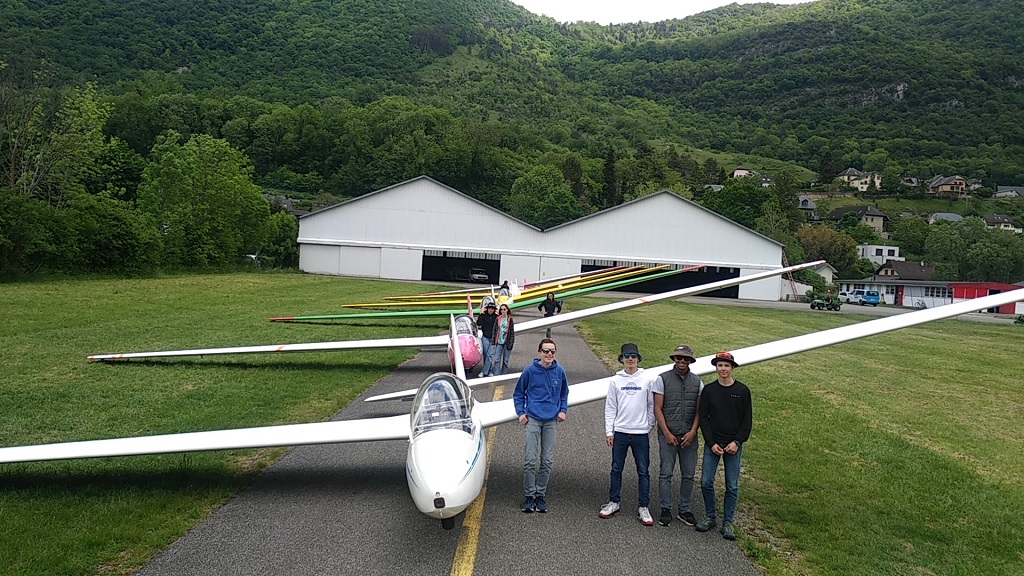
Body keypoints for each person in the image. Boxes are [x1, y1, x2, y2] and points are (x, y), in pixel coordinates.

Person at [695, 351, 752, 541]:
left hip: (733, 445)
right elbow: (704, 418)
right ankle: (711, 516)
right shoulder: (709, 391)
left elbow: (747, 421)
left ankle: (728, 522)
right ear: (716, 368)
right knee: (706, 481)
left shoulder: (743, 391)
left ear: (732, 368)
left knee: (732, 485)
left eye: (727, 365)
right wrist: (711, 443)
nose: (723, 369)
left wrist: (737, 442)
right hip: (714, 444)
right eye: (720, 365)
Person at [599, 343, 656, 526]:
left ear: (638, 359)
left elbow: (651, 406)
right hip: (621, 432)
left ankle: (643, 507)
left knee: (643, 471)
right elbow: (611, 407)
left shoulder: (647, 379)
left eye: (633, 356)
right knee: (616, 468)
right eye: (626, 356)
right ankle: (614, 502)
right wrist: (610, 431)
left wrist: (648, 427)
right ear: (622, 359)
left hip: (640, 433)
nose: (630, 359)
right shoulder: (615, 381)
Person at [512, 338, 569, 513]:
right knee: (530, 460)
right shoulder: (530, 371)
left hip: (551, 420)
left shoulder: (560, 371)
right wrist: (521, 413)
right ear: (539, 353)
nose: (549, 354)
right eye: (546, 351)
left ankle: (540, 495)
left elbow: (564, 394)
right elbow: (519, 394)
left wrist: (563, 410)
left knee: (547, 461)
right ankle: (529, 496)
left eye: (552, 351)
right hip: (533, 419)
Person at [652, 344, 704, 527]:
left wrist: (692, 432)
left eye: (686, 359)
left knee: (688, 474)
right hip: (668, 433)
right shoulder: (662, 379)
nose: (682, 361)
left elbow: (699, 411)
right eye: (679, 358)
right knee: (666, 473)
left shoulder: (697, 382)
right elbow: (657, 408)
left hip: (689, 434)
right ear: (674, 359)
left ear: (690, 361)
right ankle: (665, 509)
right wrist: (666, 432)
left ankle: (685, 509)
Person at [489, 304, 515, 375]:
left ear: (507, 310)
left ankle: (504, 374)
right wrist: (494, 342)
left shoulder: (510, 319)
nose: (503, 311)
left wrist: (511, 343)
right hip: (499, 342)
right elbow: (495, 330)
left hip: (507, 342)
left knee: (505, 360)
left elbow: (512, 332)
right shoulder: (498, 319)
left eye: (504, 309)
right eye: (501, 309)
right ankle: (496, 374)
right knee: (497, 360)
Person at [476, 301, 498, 377]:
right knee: (486, 355)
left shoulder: (496, 317)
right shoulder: (483, 316)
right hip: (485, 337)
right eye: (489, 308)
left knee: (490, 355)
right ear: (487, 309)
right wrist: (481, 314)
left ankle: (483, 371)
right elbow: (478, 323)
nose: (491, 310)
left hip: (493, 338)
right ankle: (489, 371)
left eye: (492, 309)